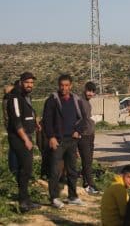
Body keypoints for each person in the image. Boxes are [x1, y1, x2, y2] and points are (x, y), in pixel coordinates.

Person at [43, 74, 84, 209]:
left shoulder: (76, 100)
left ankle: (72, 196)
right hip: (58, 141)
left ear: (71, 86)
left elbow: (82, 118)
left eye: (67, 85)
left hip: (72, 141)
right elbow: (47, 121)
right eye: (62, 85)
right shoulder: (52, 100)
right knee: (55, 170)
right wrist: (51, 137)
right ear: (58, 85)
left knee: (72, 170)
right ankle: (54, 198)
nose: (64, 88)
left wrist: (78, 130)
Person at [6, 72, 41, 213]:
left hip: (26, 136)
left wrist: (35, 122)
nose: (30, 85)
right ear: (21, 82)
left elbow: (28, 115)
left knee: (26, 169)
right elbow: (16, 121)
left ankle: (25, 200)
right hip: (19, 138)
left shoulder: (26, 96)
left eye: (32, 83)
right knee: (25, 169)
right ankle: (23, 202)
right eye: (27, 82)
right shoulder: (15, 97)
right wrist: (26, 139)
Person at [78, 81, 98, 194]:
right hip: (83, 136)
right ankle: (90, 185)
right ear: (84, 90)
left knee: (88, 161)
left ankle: (86, 183)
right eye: (89, 91)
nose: (90, 93)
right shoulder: (80, 102)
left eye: (92, 92)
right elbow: (78, 119)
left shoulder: (87, 102)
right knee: (86, 161)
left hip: (90, 135)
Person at [3, 81, 20, 176]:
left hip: (11, 126)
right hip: (12, 127)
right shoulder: (10, 98)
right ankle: (14, 170)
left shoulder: (8, 98)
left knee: (14, 148)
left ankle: (14, 170)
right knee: (14, 148)